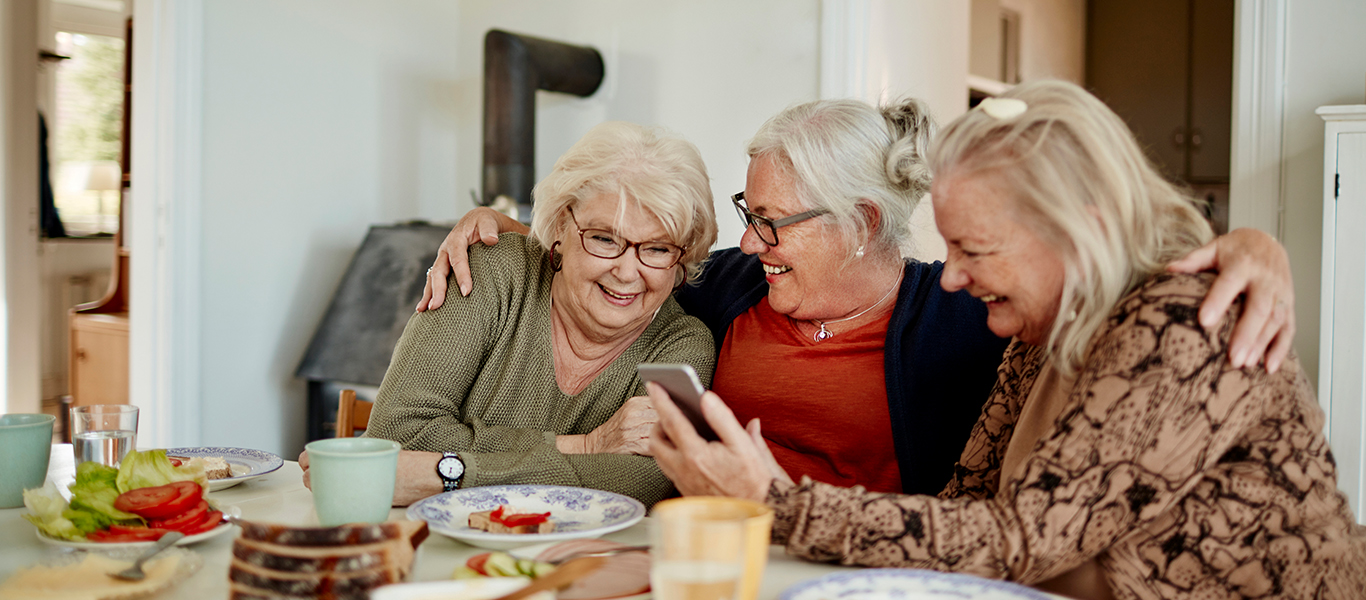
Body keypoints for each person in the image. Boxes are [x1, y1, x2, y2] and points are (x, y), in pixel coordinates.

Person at [649, 80, 1366, 599]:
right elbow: (970, 507)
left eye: (976, 250)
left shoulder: (1188, 327)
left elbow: (1022, 539)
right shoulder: (1038, 329)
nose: (951, 277)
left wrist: (775, 501)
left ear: (1074, 230)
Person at [418, 97, 1296, 499]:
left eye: (772, 222)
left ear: (862, 222)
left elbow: (1103, 287)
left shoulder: (964, 311)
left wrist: (1255, 251)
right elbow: (620, 247)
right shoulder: (728, 287)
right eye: (745, 217)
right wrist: (497, 224)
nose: (748, 242)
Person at [301, 121, 718, 508]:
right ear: (559, 225)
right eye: (604, 239)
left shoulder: (682, 345)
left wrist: (447, 471)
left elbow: (636, 484)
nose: (627, 272)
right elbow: (397, 432)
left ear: (685, 256)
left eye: (658, 248)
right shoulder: (490, 271)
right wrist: (585, 447)